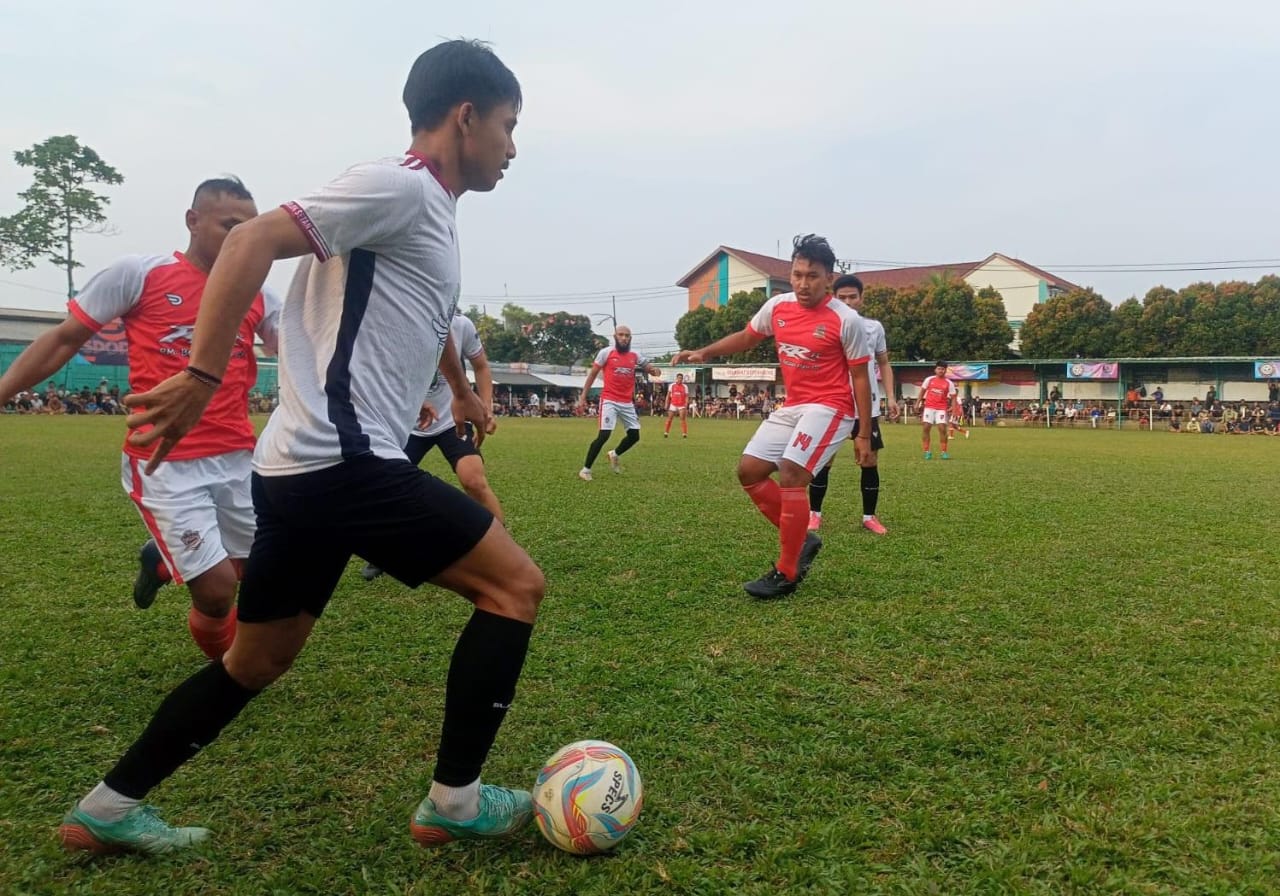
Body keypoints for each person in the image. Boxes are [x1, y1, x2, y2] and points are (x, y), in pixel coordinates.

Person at [58, 40, 544, 856]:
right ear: (466, 116)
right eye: (509, 125)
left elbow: (414, 319)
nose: (513, 147)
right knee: (515, 587)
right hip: (345, 463)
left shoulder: (427, 211)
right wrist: (202, 372)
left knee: (254, 662)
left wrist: (459, 388)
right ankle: (454, 802)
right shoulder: (399, 185)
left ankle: (106, 808)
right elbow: (250, 241)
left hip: (296, 472)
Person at [0, 177, 279, 661]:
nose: (242, 239)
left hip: (238, 457)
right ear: (193, 221)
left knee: (253, 572)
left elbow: (300, 353)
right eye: (230, 226)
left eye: (250, 229)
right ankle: (228, 677)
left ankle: (160, 562)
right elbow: (65, 339)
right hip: (163, 460)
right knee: (217, 591)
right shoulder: (140, 274)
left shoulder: (259, 293)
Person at [672, 234, 874, 599]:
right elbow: (747, 337)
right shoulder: (778, 307)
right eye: (797, 274)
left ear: (829, 278)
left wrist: (863, 434)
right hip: (794, 404)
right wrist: (705, 352)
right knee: (749, 471)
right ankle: (802, 539)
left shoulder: (848, 321)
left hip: (832, 406)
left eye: (812, 276)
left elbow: (860, 377)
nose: (802, 283)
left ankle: (787, 571)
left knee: (792, 472)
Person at [362, 310, 503, 581]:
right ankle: (381, 552)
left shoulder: (460, 324)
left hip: (453, 418)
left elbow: (482, 366)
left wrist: (486, 408)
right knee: (383, 486)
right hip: (409, 421)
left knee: (473, 480)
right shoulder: (395, 321)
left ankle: (503, 548)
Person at [806, 274, 897, 535]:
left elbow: (883, 363)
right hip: (833, 405)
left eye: (852, 297)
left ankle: (869, 517)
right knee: (824, 460)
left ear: (861, 299)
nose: (847, 302)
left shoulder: (874, 328)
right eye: (842, 297)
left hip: (866, 407)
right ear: (833, 298)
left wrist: (891, 397)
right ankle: (814, 514)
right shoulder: (824, 326)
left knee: (869, 460)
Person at [575, 325, 661, 480]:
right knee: (604, 435)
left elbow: (649, 368)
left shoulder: (635, 355)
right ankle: (585, 470)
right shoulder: (606, 353)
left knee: (634, 436)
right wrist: (583, 397)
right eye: (621, 335)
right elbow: (592, 375)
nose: (624, 338)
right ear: (615, 337)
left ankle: (614, 454)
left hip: (627, 402)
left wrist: (655, 371)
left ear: (630, 338)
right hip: (609, 400)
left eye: (627, 335)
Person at [919, 362, 956, 459]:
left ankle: (944, 452)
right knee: (926, 428)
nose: (941, 371)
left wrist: (954, 410)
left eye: (943, 369)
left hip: (941, 408)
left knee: (942, 429)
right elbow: (922, 391)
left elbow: (953, 397)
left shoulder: (949, 383)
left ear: (945, 370)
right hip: (929, 407)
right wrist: (917, 403)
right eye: (939, 368)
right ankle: (927, 451)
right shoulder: (929, 380)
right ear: (935, 370)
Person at [664, 372, 690, 438]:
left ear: (682, 379)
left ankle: (684, 434)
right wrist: (666, 403)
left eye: (681, 378)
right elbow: (668, 395)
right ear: (676, 378)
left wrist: (686, 404)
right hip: (673, 404)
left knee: (682, 418)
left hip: (681, 404)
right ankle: (666, 432)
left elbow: (687, 396)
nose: (680, 379)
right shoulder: (672, 385)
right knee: (670, 418)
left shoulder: (685, 386)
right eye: (679, 378)